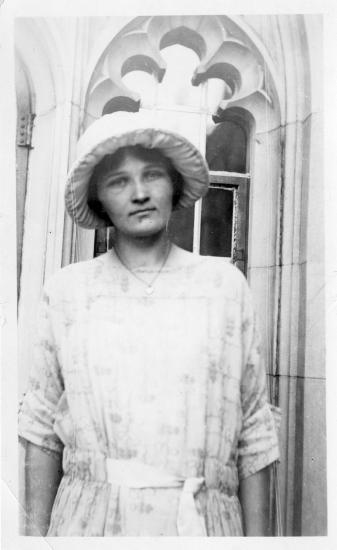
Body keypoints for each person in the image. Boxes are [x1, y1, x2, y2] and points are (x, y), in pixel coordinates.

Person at [18, 111, 280, 537]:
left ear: (174, 184)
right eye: (119, 181)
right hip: (90, 525)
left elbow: (254, 435)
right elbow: (42, 434)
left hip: (202, 526)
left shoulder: (224, 288)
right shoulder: (68, 293)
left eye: (152, 175)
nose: (139, 193)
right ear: (99, 197)